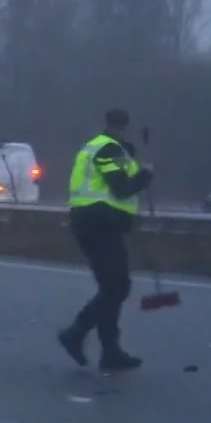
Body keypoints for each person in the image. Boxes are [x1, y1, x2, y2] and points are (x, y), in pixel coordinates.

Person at [56, 108, 155, 372]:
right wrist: (145, 177)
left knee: (115, 287)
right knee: (116, 287)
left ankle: (103, 347)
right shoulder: (106, 150)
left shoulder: (104, 148)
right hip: (98, 223)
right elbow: (121, 189)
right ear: (121, 126)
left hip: (96, 222)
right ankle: (81, 337)